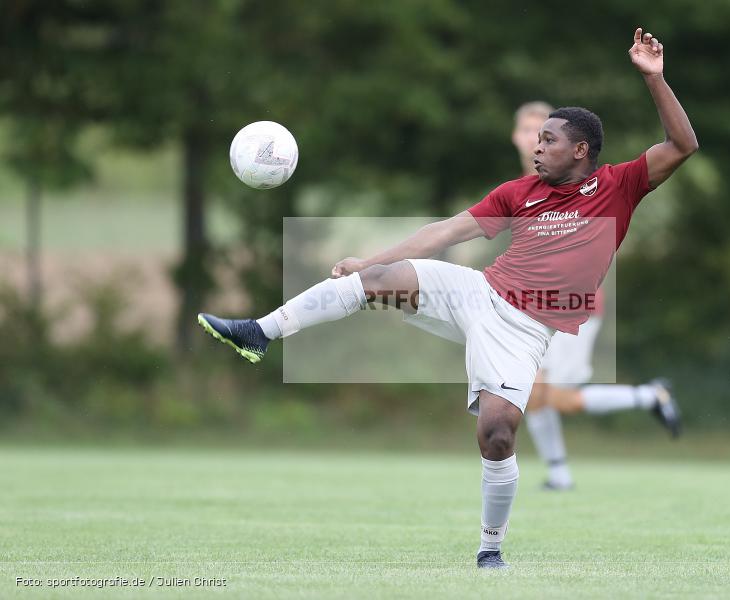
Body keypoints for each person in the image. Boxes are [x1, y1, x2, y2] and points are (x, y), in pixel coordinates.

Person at [197, 28, 698, 569]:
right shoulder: (518, 192)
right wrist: (372, 261)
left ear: (581, 149)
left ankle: (490, 549)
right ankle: (259, 333)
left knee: (498, 434)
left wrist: (655, 78)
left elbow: (682, 146)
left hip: (524, 331)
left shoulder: (618, 187)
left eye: (549, 139)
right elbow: (445, 231)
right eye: (537, 138)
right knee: (379, 281)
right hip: (478, 294)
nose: (537, 145)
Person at [512, 102, 682, 492]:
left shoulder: (570, 179)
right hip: (538, 308)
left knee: (560, 398)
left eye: (540, 132)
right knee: (533, 392)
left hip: (575, 308)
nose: (532, 138)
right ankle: (559, 475)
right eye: (525, 129)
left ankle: (649, 396)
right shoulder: (528, 184)